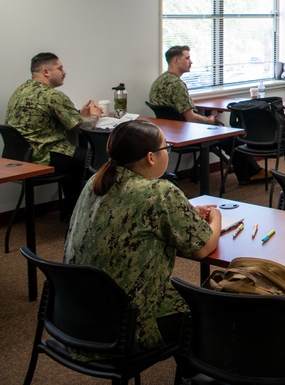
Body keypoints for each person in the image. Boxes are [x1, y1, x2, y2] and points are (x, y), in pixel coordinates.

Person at [64, 120, 221, 357]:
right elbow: (202, 249)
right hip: (129, 325)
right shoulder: (159, 192)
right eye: (165, 147)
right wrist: (216, 217)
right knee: (214, 308)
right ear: (151, 157)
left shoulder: (95, 182)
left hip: (77, 318)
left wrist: (184, 211)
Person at [5, 52, 104, 219]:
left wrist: (80, 113)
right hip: (43, 156)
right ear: (46, 72)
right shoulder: (53, 96)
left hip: (19, 157)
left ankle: (70, 211)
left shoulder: (20, 91)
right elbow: (82, 126)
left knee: (77, 158)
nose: (64, 72)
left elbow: (49, 116)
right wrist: (94, 116)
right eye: (60, 68)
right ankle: (84, 216)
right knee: (94, 158)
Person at [148, 45, 263, 182]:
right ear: (175, 61)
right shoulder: (177, 85)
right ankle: (250, 174)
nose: (191, 62)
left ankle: (249, 171)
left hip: (171, 132)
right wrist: (209, 121)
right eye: (187, 58)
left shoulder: (158, 81)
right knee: (233, 137)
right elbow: (190, 117)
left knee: (224, 133)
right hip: (187, 133)